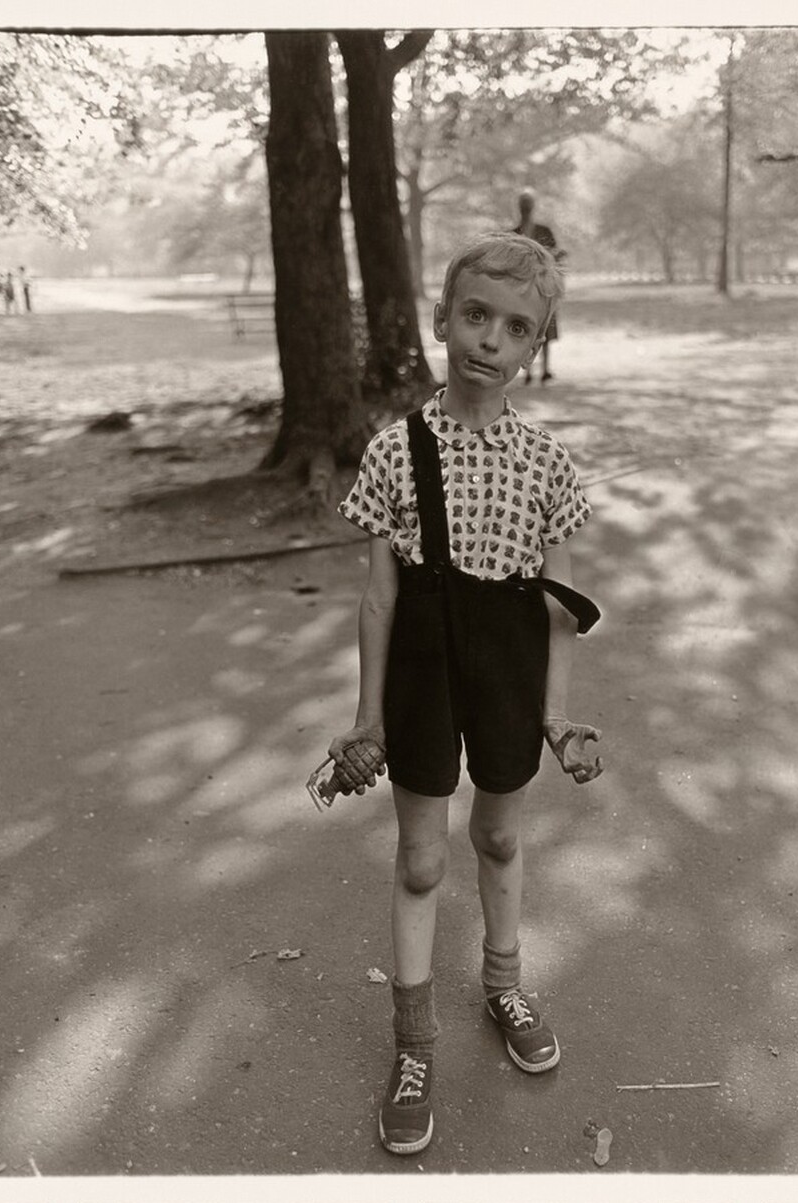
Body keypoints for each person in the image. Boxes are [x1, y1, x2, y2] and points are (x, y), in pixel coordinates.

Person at [329, 232, 604, 1156]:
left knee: (497, 834)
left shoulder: (550, 467)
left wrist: (557, 715)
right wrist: (367, 716)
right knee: (420, 860)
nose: (490, 338)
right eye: (476, 315)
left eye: (516, 327)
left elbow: (562, 608)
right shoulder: (394, 451)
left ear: (537, 347)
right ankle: (413, 1047)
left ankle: (503, 982)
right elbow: (378, 596)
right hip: (418, 671)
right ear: (442, 318)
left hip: (507, 672)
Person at [513, 188, 565, 384]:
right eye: (523, 205)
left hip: (544, 287)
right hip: (522, 290)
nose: (525, 209)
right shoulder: (514, 233)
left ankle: (544, 369)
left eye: (528, 205)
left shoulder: (544, 231)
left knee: (545, 329)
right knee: (526, 329)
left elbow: (555, 256)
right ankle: (527, 371)